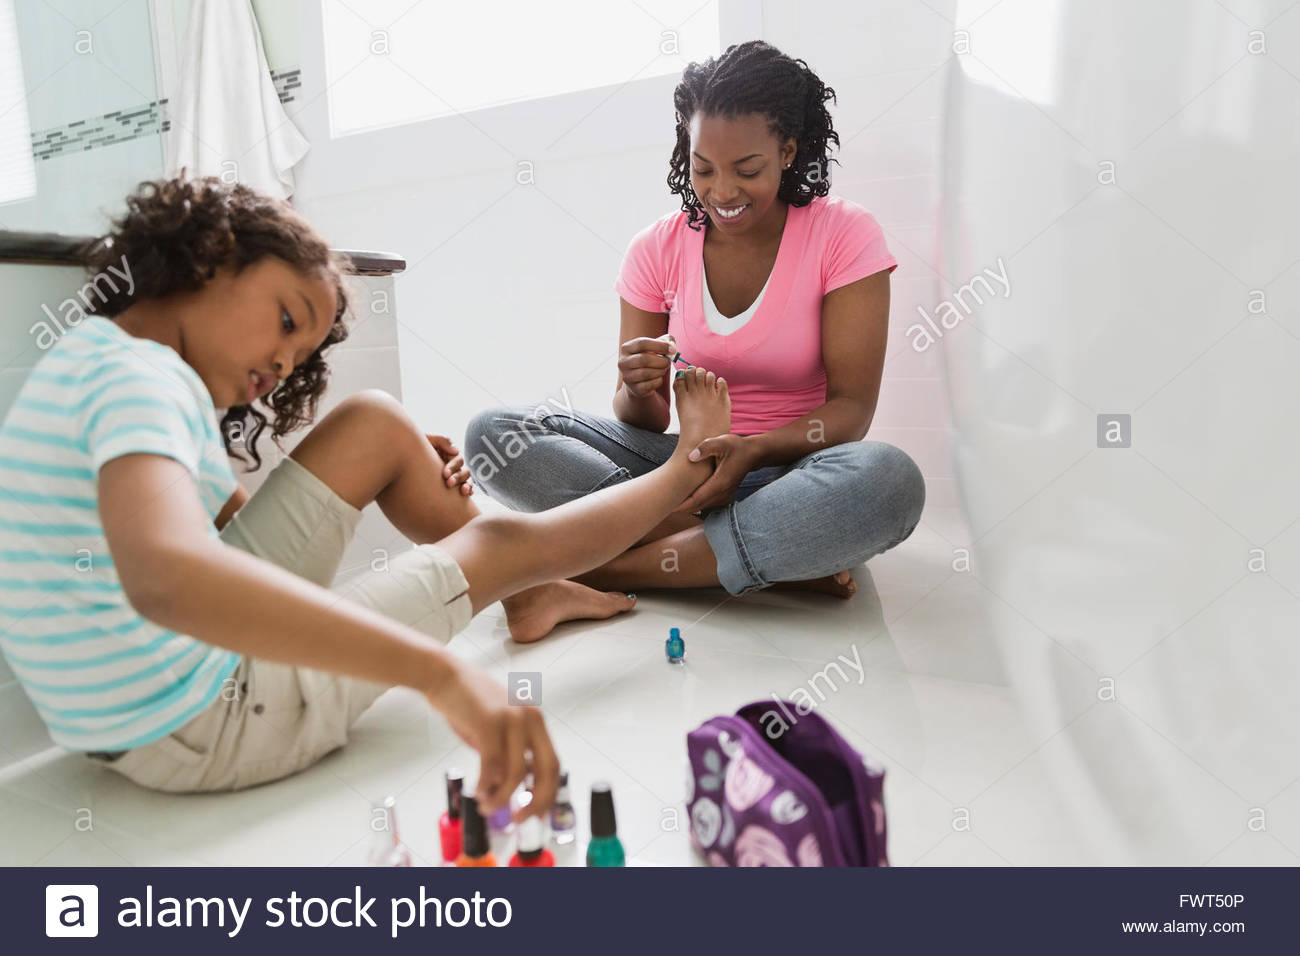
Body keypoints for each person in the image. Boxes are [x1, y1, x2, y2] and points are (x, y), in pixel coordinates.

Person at [0, 176, 731, 806]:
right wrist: (437, 670)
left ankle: (528, 592)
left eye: (299, 354)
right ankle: (680, 474)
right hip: (202, 721)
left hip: (138, 712)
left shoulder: (106, 359)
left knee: (375, 422)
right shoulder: (139, 381)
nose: (283, 362)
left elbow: (224, 539)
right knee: (494, 541)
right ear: (209, 256)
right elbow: (169, 577)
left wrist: (402, 461)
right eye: (287, 320)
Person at [467, 40, 925, 605]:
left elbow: (852, 410)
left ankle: (601, 569)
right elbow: (642, 415)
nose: (722, 192)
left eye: (747, 169)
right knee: (497, 433)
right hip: (679, 471)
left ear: (787, 151)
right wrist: (637, 385)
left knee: (888, 478)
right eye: (703, 168)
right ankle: (758, 559)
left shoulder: (842, 235)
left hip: (790, 472)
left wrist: (751, 452)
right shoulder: (656, 248)